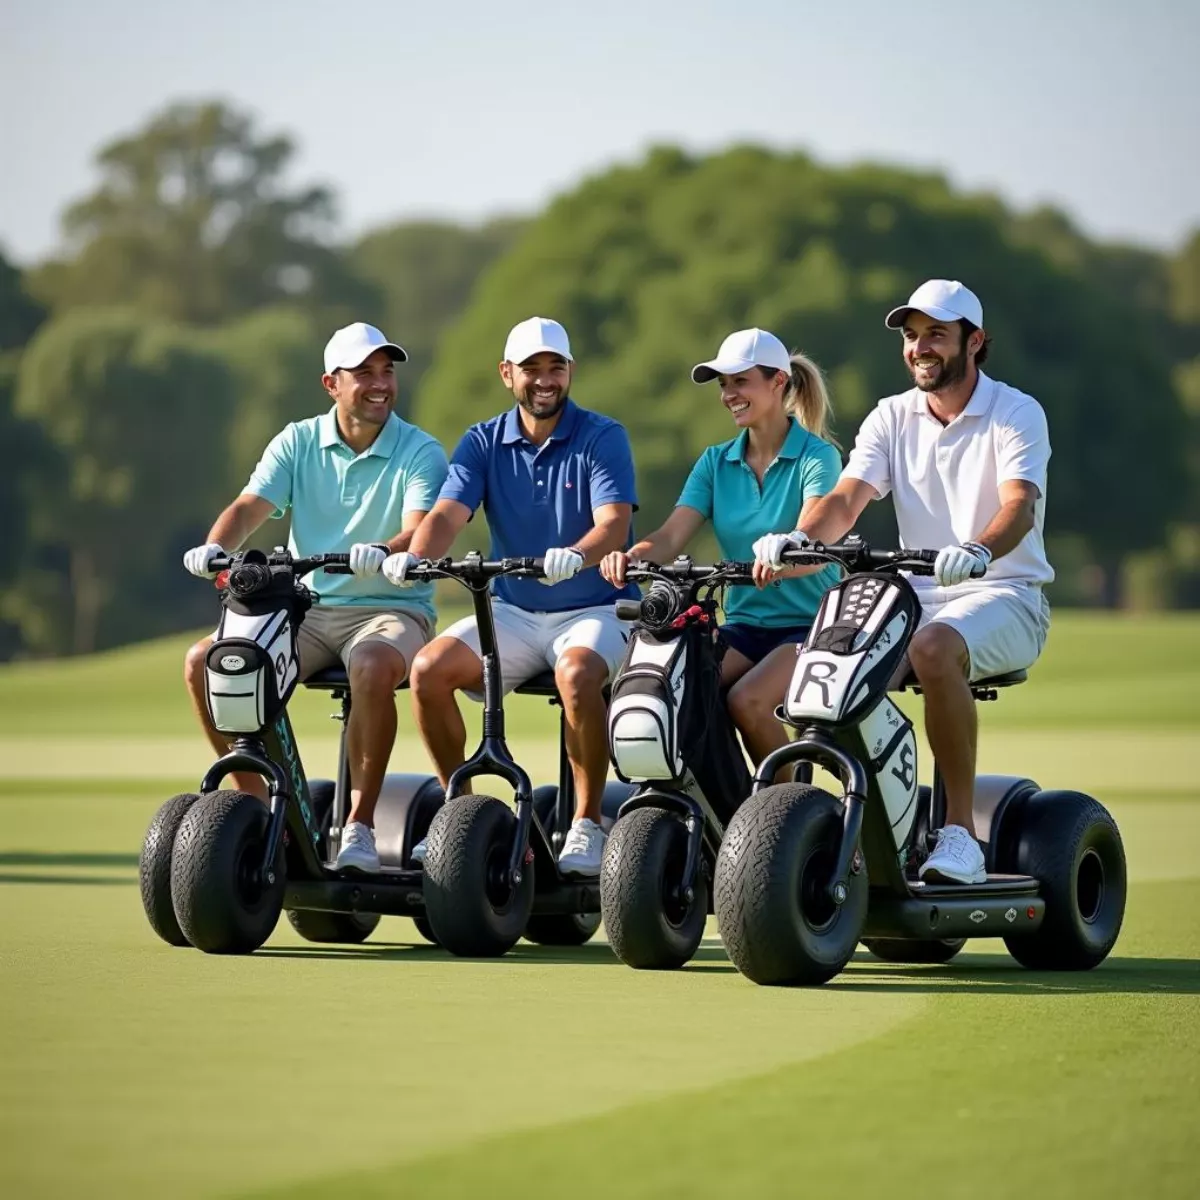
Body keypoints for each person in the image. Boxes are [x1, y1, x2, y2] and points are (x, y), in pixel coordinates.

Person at [754, 279, 1053, 885]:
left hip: (1006, 593)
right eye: (912, 337)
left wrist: (977, 549)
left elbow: (1018, 506)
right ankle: (866, 830)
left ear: (975, 342)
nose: (920, 347)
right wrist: (799, 539)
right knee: (827, 667)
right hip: (918, 595)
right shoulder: (892, 415)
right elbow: (845, 499)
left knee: (934, 646)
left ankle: (960, 835)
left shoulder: (1016, 411)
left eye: (936, 335)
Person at [182, 321, 449, 874]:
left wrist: (384, 547)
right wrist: (214, 547)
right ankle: (257, 811)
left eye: (387, 372)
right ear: (332, 384)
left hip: (391, 609)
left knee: (374, 666)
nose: (380, 384)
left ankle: (359, 826)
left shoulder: (420, 449)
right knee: (208, 663)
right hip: (306, 610)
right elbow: (249, 508)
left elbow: (420, 531)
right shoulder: (298, 440)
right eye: (364, 374)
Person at [384, 316, 637, 878]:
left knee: (575, 675)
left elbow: (613, 526)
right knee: (427, 671)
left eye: (555, 368)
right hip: (515, 610)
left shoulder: (602, 436)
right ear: (507, 375)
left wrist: (578, 552)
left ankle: (587, 824)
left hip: (595, 606)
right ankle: (461, 813)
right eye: (531, 369)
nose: (544, 380)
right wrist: (418, 554)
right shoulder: (480, 441)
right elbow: (448, 513)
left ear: (570, 372)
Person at [600, 328, 841, 778]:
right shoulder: (715, 461)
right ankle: (726, 812)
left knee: (746, 702)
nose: (728, 394)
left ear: (778, 382)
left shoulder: (817, 457)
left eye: (740, 382)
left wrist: (783, 557)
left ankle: (784, 813)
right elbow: (672, 535)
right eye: (723, 385)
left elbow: (816, 545)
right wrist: (632, 556)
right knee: (673, 692)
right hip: (746, 627)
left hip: (810, 627)